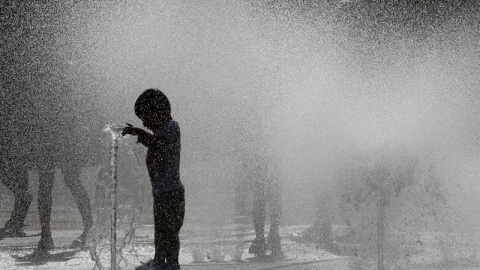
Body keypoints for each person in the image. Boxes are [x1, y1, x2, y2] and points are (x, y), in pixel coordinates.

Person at [122, 88, 184, 270]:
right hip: (161, 193)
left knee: (170, 232)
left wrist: (140, 133)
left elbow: (159, 145)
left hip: (172, 193)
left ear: (158, 112)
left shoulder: (171, 127)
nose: (144, 123)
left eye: (145, 117)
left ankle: (172, 264)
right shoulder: (160, 131)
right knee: (161, 230)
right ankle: (159, 260)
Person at [247, 155, 284, 260]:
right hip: (272, 149)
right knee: (273, 188)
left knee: (260, 189)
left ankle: (260, 239)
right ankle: (274, 236)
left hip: (259, 151)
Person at [0, 158, 33, 240]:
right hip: (11, 166)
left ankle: (15, 225)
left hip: (18, 165)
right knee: (24, 196)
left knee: (23, 196)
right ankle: (14, 226)